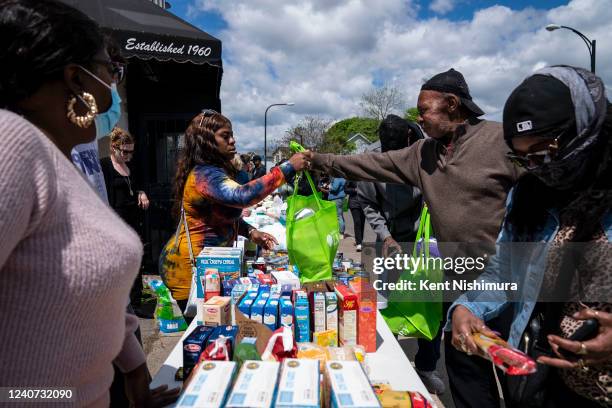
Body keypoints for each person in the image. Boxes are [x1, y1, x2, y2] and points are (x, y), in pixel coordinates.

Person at [304, 68, 522, 407]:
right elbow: (372, 164)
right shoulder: (423, 153)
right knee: (467, 371)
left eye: (424, 109)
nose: (419, 117)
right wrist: (319, 160)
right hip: (457, 284)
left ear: (452, 104)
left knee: (517, 375)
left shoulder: (500, 141)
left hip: (506, 282)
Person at [0, 1, 179, 406]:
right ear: (75, 78)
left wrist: (134, 367)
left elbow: (89, 286)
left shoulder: (65, 162)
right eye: (110, 71)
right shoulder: (11, 143)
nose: (113, 87)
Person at [449, 66, 611, 407]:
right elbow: (504, 273)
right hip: (539, 377)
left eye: (546, 151)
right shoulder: (527, 197)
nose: (539, 167)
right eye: (523, 158)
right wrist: (467, 306)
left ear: (583, 129)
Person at [159, 110, 309, 310]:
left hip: (209, 266)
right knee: (209, 327)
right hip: (190, 270)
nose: (233, 141)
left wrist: (251, 232)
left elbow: (220, 217)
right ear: (206, 141)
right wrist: (287, 168)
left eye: (231, 135)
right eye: (225, 135)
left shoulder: (212, 172)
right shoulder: (204, 176)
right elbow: (242, 196)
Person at [357, 115, 448, 393]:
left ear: (410, 140)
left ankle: (425, 367)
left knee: (431, 305)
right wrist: (386, 235)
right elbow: (368, 204)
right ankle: (391, 363)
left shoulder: (425, 156)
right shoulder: (372, 163)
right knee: (389, 303)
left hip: (425, 240)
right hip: (391, 241)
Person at [101, 127, 151, 318]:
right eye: (125, 151)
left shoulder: (132, 165)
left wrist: (141, 192)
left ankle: (136, 302)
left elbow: (139, 185)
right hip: (116, 221)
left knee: (137, 260)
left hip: (134, 220)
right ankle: (119, 302)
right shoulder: (105, 165)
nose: (129, 155)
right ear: (114, 148)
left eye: (131, 151)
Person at [344, 180, 365, 251]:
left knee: (362, 222)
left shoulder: (364, 176)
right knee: (357, 222)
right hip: (354, 203)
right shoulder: (351, 177)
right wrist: (355, 190)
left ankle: (360, 240)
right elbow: (346, 189)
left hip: (364, 203)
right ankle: (359, 243)